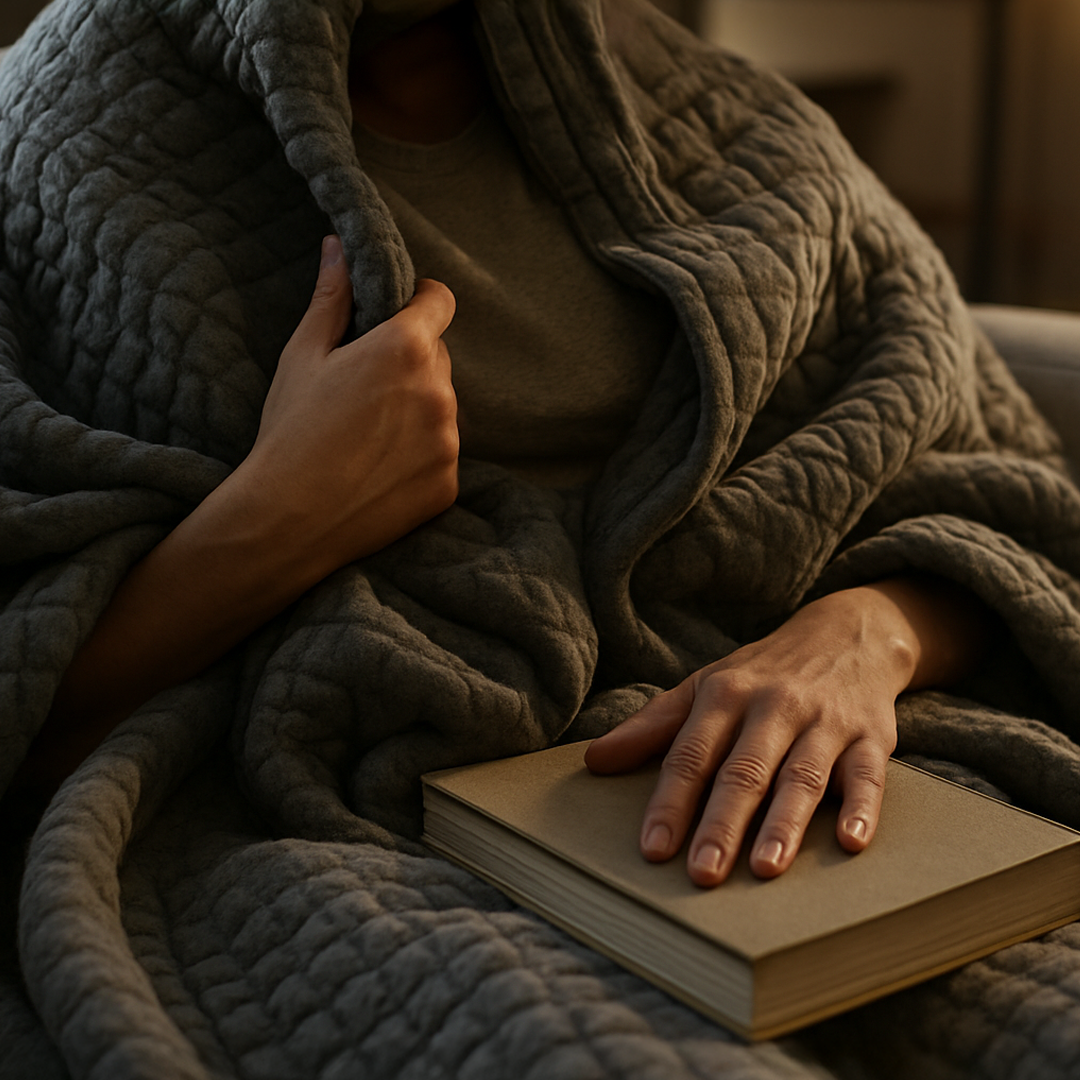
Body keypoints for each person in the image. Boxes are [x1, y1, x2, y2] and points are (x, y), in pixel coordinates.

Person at [12, 0, 995, 889]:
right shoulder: (49, 143)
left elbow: (995, 480)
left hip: (814, 780)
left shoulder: (682, 87)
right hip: (328, 843)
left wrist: (868, 633)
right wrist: (282, 516)